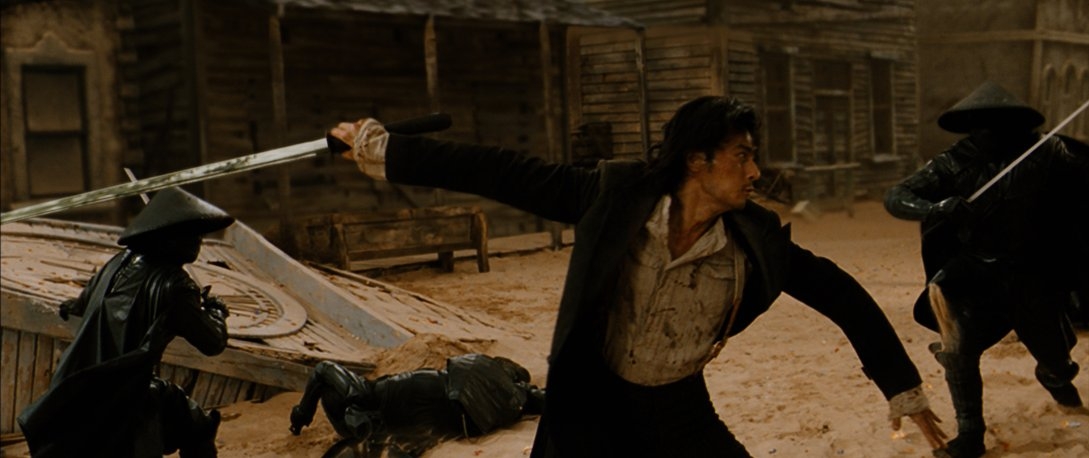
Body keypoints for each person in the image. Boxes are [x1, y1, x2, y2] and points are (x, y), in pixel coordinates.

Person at [329, 95, 946, 457]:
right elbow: (501, 171)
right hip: (592, 400)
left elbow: (842, 294)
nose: (756, 172)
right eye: (742, 156)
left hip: (680, 408)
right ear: (698, 161)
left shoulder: (753, 242)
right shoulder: (614, 195)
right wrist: (381, 148)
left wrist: (903, 389)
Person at [884, 81, 1088, 458]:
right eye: (982, 124)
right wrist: (937, 207)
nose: (990, 132)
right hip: (974, 273)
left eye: (999, 124)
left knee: (1056, 359)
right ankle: (970, 434)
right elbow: (897, 197)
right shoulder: (954, 161)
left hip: (1032, 273)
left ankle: (1060, 385)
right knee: (958, 350)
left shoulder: (1046, 152)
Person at [18, 187, 235, 458]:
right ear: (169, 238)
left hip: (79, 384)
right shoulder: (175, 285)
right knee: (193, 425)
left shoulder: (118, 263)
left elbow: (82, 302)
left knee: (192, 419)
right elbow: (213, 342)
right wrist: (216, 310)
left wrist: (71, 306)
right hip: (127, 392)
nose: (199, 240)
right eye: (191, 233)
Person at [288, 353, 545, 457]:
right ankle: (359, 412)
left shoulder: (493, 375)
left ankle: (357, 408)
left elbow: (323, 369)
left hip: (428, 401)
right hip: (442, 415)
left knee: (360, 394)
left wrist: (301, 414)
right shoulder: (512, 396)